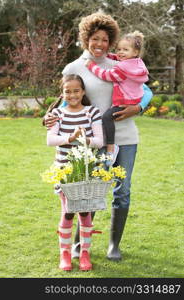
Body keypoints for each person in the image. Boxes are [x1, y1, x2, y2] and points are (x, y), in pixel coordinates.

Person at [44, 12, 153, 261]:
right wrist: (49, 118)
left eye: (105, 39)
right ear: (86, 38)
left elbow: (146, 91)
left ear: (111, 41)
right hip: (92, 142)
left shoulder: (119, 64)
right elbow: (65, 100)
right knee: (88, 191)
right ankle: (80, 244)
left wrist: (139, 108)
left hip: (125, 138)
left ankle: (114, 245)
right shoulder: (74, 67)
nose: (100, 44)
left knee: (122, 191)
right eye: (95, 38)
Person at [47, 74, 103, 271]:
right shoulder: (57, 113)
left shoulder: (91, 112)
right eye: (67, 91)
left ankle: (84, 252)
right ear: (62, 93)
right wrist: (71, 137)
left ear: (83, 92)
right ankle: (65, 253)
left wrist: (84, 139)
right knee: (68, 211)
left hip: (87, 171)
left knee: (85, 212)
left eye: (76, 91)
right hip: (64, 171)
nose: (72, 95)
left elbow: (99, 141)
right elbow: (50, 140)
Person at [85, 30, 149, 167]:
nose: (120, 52)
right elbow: (121, 58)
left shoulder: (122, 69)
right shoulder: (137, 64)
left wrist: (91, 66)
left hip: (125, 102)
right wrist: (110, 56)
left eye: (125, 49)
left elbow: (105, 75)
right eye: (119, 49)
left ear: (135, 52)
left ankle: (110, 148)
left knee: (107, 117)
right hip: (133, 98)